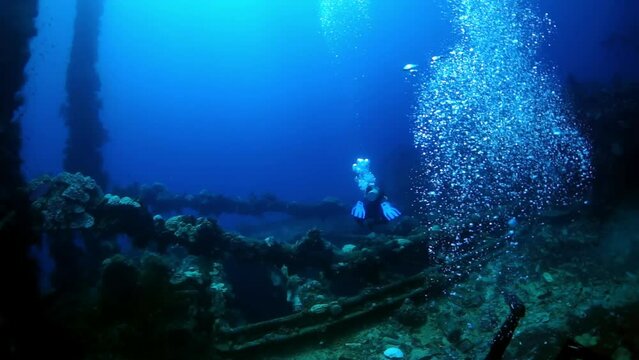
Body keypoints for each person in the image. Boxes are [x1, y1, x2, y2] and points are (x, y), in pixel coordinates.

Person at [350, 158, 401, 226]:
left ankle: (382, 204)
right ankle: (383, 204)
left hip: (372, 202)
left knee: (367, 209)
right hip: (377, 202)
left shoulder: (365, 190)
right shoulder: (374, 187)